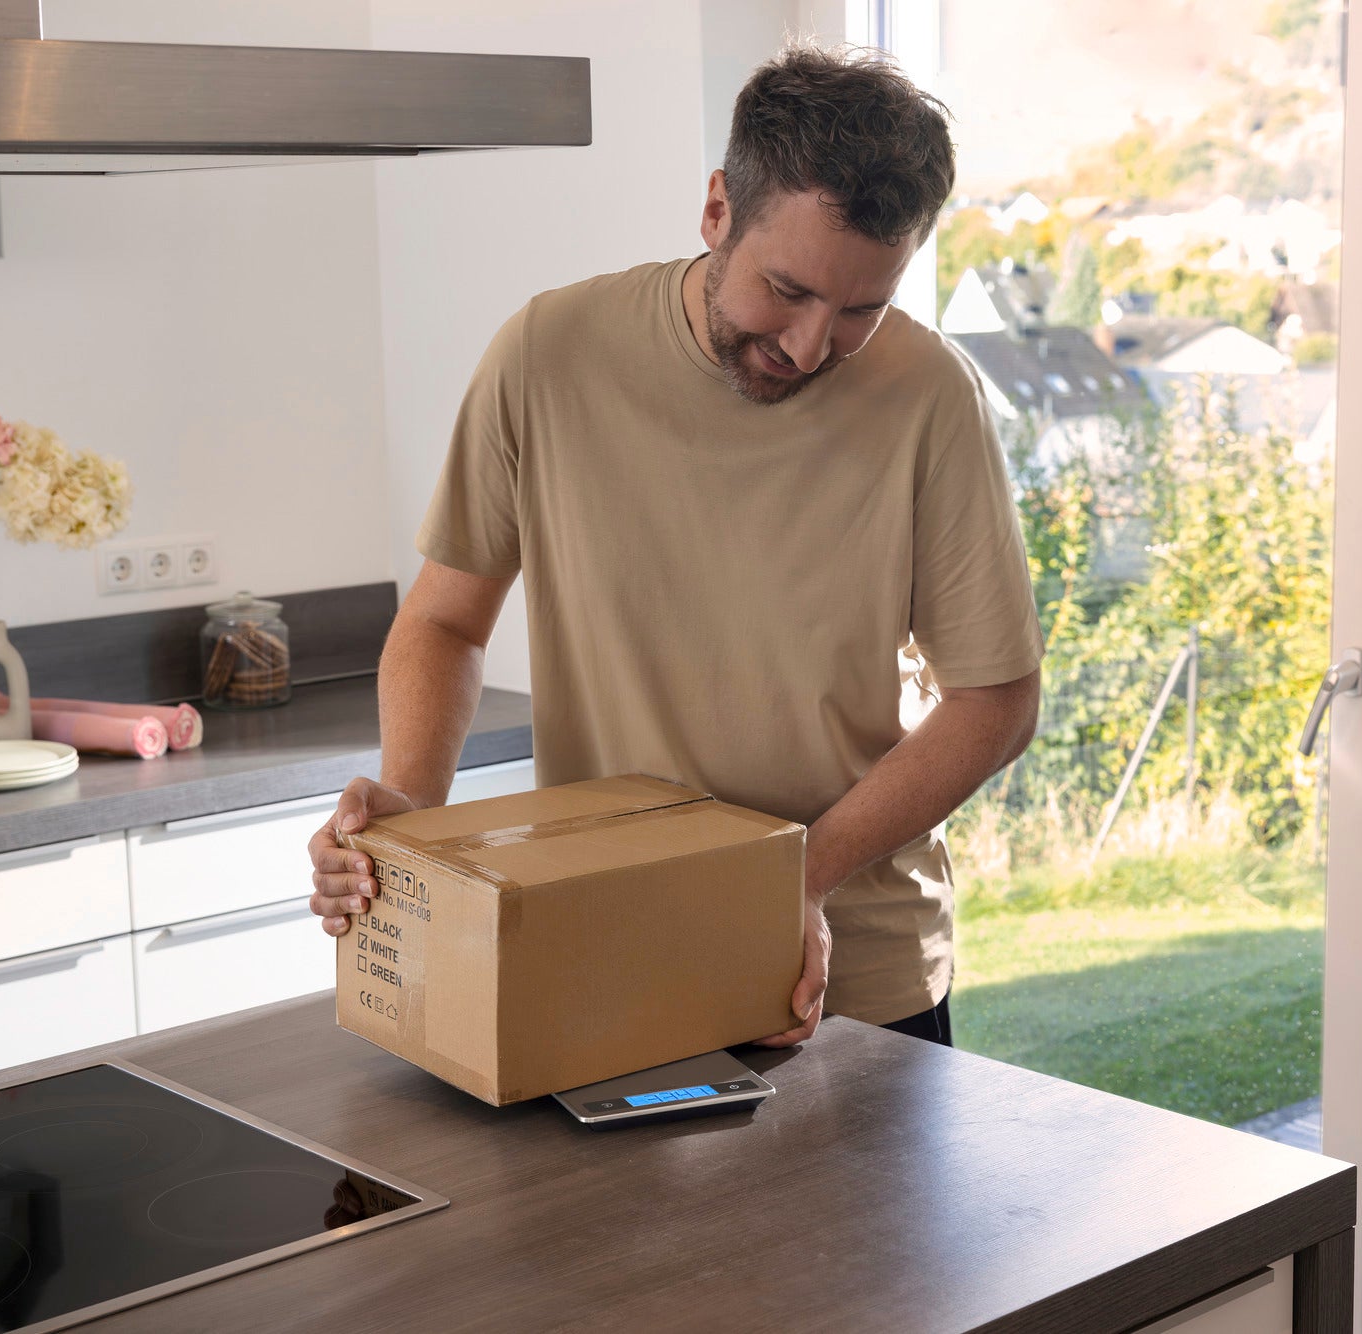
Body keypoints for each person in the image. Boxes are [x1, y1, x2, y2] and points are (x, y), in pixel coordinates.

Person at [309, 42, 1043, 1050]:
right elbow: (443, 616)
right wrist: (414, 816)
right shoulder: (548, 354)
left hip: (843, 977)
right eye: (784, 290)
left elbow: (995, 700)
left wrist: (794, 878)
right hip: (599, 942)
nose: (806, 345)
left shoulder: (929, 398)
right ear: (714, 212)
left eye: (859, 309)